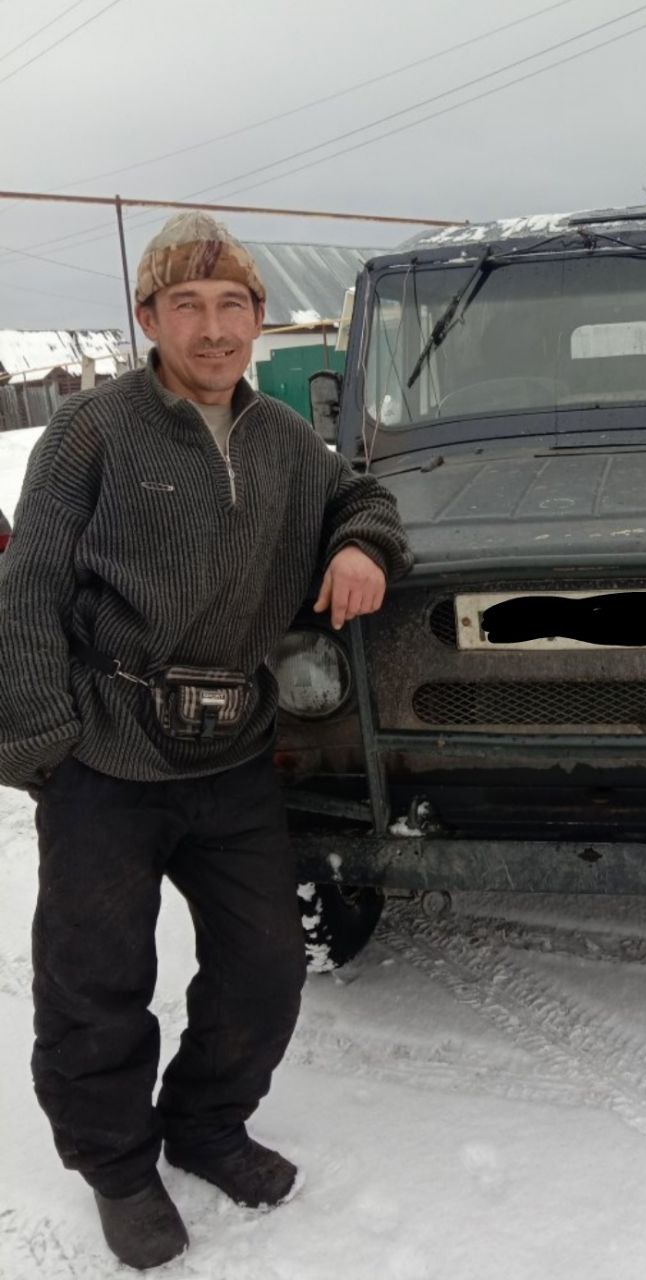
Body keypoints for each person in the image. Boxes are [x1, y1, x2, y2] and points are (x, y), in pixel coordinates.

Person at [0, 212, 412, 1271]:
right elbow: (29, 584)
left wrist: (362, 543)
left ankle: (205, 1122)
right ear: (149, 318)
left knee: (265, 965)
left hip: (230, 753)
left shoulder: (281, 438)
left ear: (259, 318)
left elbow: (363, 491)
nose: (214, 327)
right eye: (187, 305)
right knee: (96, 980)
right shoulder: (91, 430)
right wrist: (43, 745)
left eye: (232, 305)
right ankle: (118, 1166)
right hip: (105, 753)